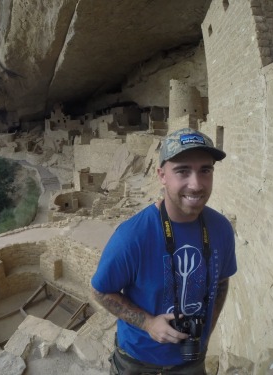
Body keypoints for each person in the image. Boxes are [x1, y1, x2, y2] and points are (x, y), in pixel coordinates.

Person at [91, 127, 237, 374]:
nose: (196, 184)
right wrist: (148, 323)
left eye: (205, 170)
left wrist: (206, 332)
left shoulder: (220, 228)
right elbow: (100, 291)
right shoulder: (133, 235)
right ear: (162, 175)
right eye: (182, 171)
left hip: (192, 359)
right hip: (139, 362)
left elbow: (221, 282)